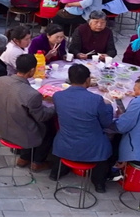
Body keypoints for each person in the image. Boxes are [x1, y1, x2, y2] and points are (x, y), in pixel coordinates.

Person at [51, 64, 114, 192]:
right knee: (111, 140)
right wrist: (108, 106)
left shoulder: (58, 96)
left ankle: (55, 173)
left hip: (65, 143)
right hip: (93, 147)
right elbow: (106, 123)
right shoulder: (96, 100)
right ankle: (99, 183)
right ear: (88, 80)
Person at [0, 54, 55, 170]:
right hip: (20, 134)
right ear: (32, 70)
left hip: (2, 127)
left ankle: (24, 157)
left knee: (26, 117)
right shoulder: (32, 94)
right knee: (49, 128)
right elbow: (42, 116)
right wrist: (56, 106)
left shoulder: (1, 80)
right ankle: (38, 161)